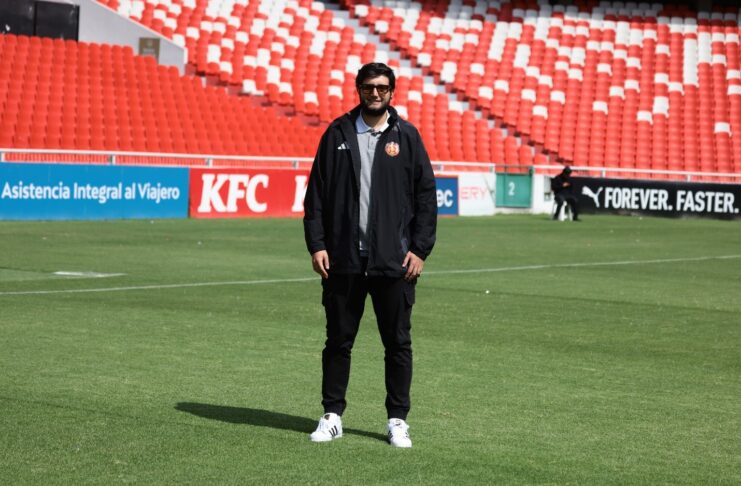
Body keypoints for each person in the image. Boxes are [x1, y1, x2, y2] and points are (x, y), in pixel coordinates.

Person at [303, 62, 437, 448]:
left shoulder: (407, 137)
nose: (375, 93)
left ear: (392, 91)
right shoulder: (337, 133)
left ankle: (397, 420)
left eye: (382, 87)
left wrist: (419, 249)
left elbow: (426, 198)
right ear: (358, 89)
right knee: (338, 341)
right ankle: (332, 416)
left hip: (393, 263)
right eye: (368, 87)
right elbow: (316, 197)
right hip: (344, 260)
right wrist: (318, 244)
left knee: (397, 344)